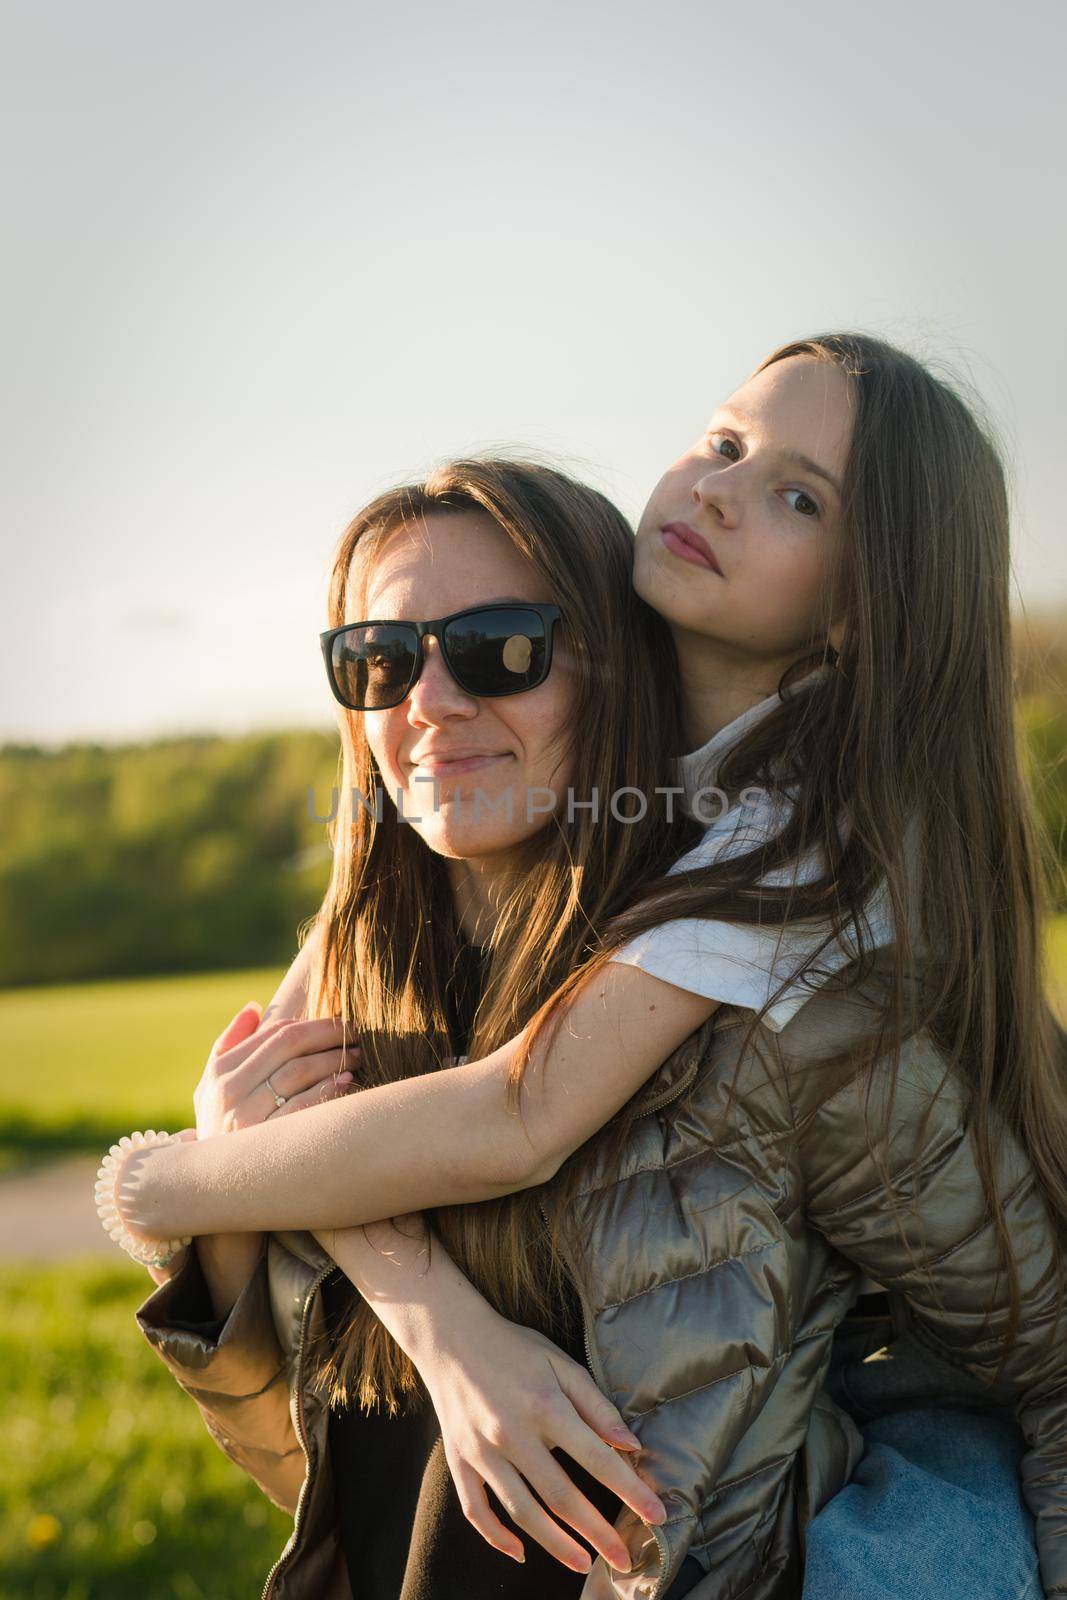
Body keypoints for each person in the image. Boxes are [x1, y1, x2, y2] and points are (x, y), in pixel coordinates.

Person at [114, 334, 1067, 1600]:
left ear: (602, 662)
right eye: (378, 660)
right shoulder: (415, 932)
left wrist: (171, 1180)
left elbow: (518, 1115)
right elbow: (314, 1446)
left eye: (501, 647)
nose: (429, 699)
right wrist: (434, 1324)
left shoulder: (795, 889)